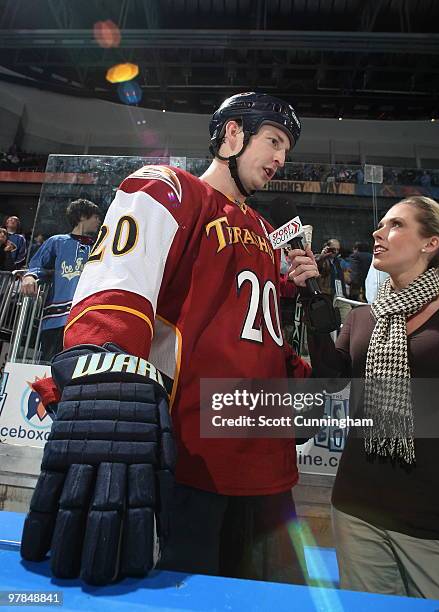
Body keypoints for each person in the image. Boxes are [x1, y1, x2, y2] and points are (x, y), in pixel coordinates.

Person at [21, 93, 313, 585]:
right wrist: (99, 369)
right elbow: (116, 295)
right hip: (192, 458)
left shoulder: (265, 231)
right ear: (233, 135)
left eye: (288, 148)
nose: (282, 159)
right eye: (274, 141)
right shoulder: (169, 189)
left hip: (267, 460)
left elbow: (250, 328)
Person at [287, 195, 439, 600]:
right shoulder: (362, 317)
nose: (378, 233)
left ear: (431, 243)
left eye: (395, 225)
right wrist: (310, 296)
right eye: (380, 225)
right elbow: (328, 381)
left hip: (436, 517)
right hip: (357, 508)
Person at [21, 199, 101, 362]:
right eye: (95, 217)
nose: (99, 221)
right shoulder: (57, 241)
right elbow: (37, 264)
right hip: (56, 320)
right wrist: (30, 276)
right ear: (82, 216)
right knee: (50, 366)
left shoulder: (100, 247)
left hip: (87, 319)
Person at [316, 238, 351, 323]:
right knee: (328, 322)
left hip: (339, 293)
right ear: (326, 247)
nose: (335, 251)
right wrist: (323, 256)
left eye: (337, 249)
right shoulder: (320, 258)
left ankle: (345, 334)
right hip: (326, 294)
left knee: (347, 317)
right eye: (333, 249)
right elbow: (317, 266)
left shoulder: (338, 261)